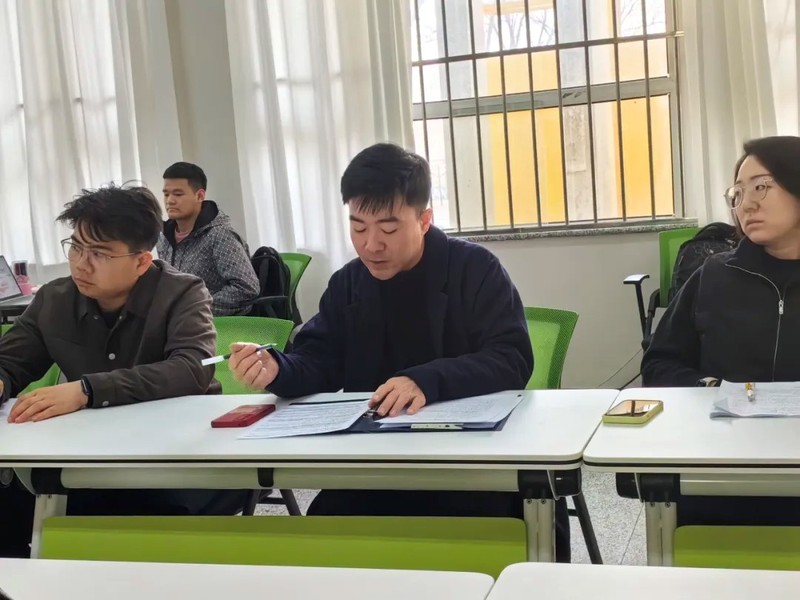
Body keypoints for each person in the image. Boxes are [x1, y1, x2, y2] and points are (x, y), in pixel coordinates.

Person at [229, 143, 573, 561]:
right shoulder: (349, 283)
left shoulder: (475, 269)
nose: (371, 245)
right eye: (358, 227)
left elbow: (511, 358)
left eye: (388, 229)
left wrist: (424, 380)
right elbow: (319, 359)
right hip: (378, 466)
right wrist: (277, 368)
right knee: (323, 541)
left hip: (473, 464)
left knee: (502, 536)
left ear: (424, 220)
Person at [0, 184, 247, 559]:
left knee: (132, 518)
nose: (81, 264)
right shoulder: (54, 299)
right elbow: (11, 361)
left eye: (99, 253)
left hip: (178, 455)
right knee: (11, 503)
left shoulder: (182, 293)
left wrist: (87, 390)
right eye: (76, 247)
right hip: (86, 455)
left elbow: (190, 369)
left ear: (142, 261)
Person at [642, 135, 800, 526]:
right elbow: (659, 364)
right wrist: (711, 389)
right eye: (738, 193)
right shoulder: (712, 276)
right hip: (720, 469)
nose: (746, 204)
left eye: (761, 186)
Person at [157, 162, 260, 316]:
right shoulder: (164, 237)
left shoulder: (219, 235)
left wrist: (196, 308)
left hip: (215, 323)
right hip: (178, 320)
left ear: (200, 196)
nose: (170, 200)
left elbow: (246, 288)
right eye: (166, 194)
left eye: (178, 194)